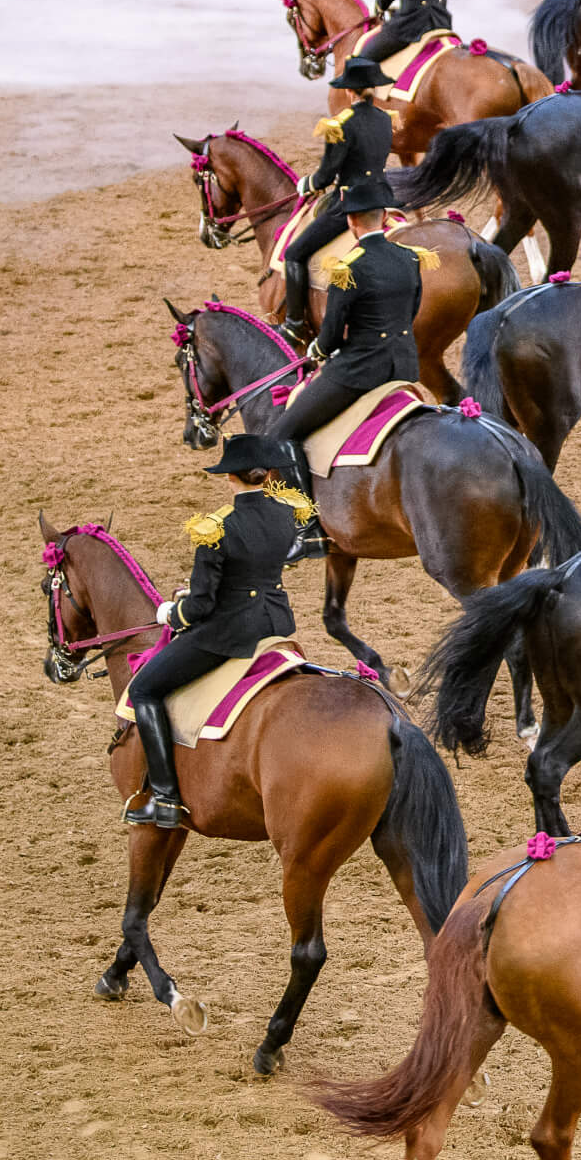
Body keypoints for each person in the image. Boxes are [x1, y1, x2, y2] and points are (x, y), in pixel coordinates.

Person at [124, 432, 305, 831]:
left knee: (143, 690)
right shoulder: (288, 513)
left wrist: (172, 614)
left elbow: (201, 606)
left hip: (230, 634)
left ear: (230, 477)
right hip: (274, 624)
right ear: (267, 475)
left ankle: (166, 798)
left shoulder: (216, 528)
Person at [271, 173, 425, 550]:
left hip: (359, 371)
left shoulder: (347, 268)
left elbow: (331, 334)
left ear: (352, 221)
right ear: (383, 217)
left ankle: (306, 530)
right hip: (404, 366)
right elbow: (412, 311)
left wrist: (316, 352)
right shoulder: (410, 258)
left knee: (281, 434)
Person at [278, 57, 394, 342]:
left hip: (351, 203)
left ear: (349, 91)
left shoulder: (340, 125)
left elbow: (326, 176)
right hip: (382, 198)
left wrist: (308, 183)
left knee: (294, 253)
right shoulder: (385, 119)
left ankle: (293, 322)